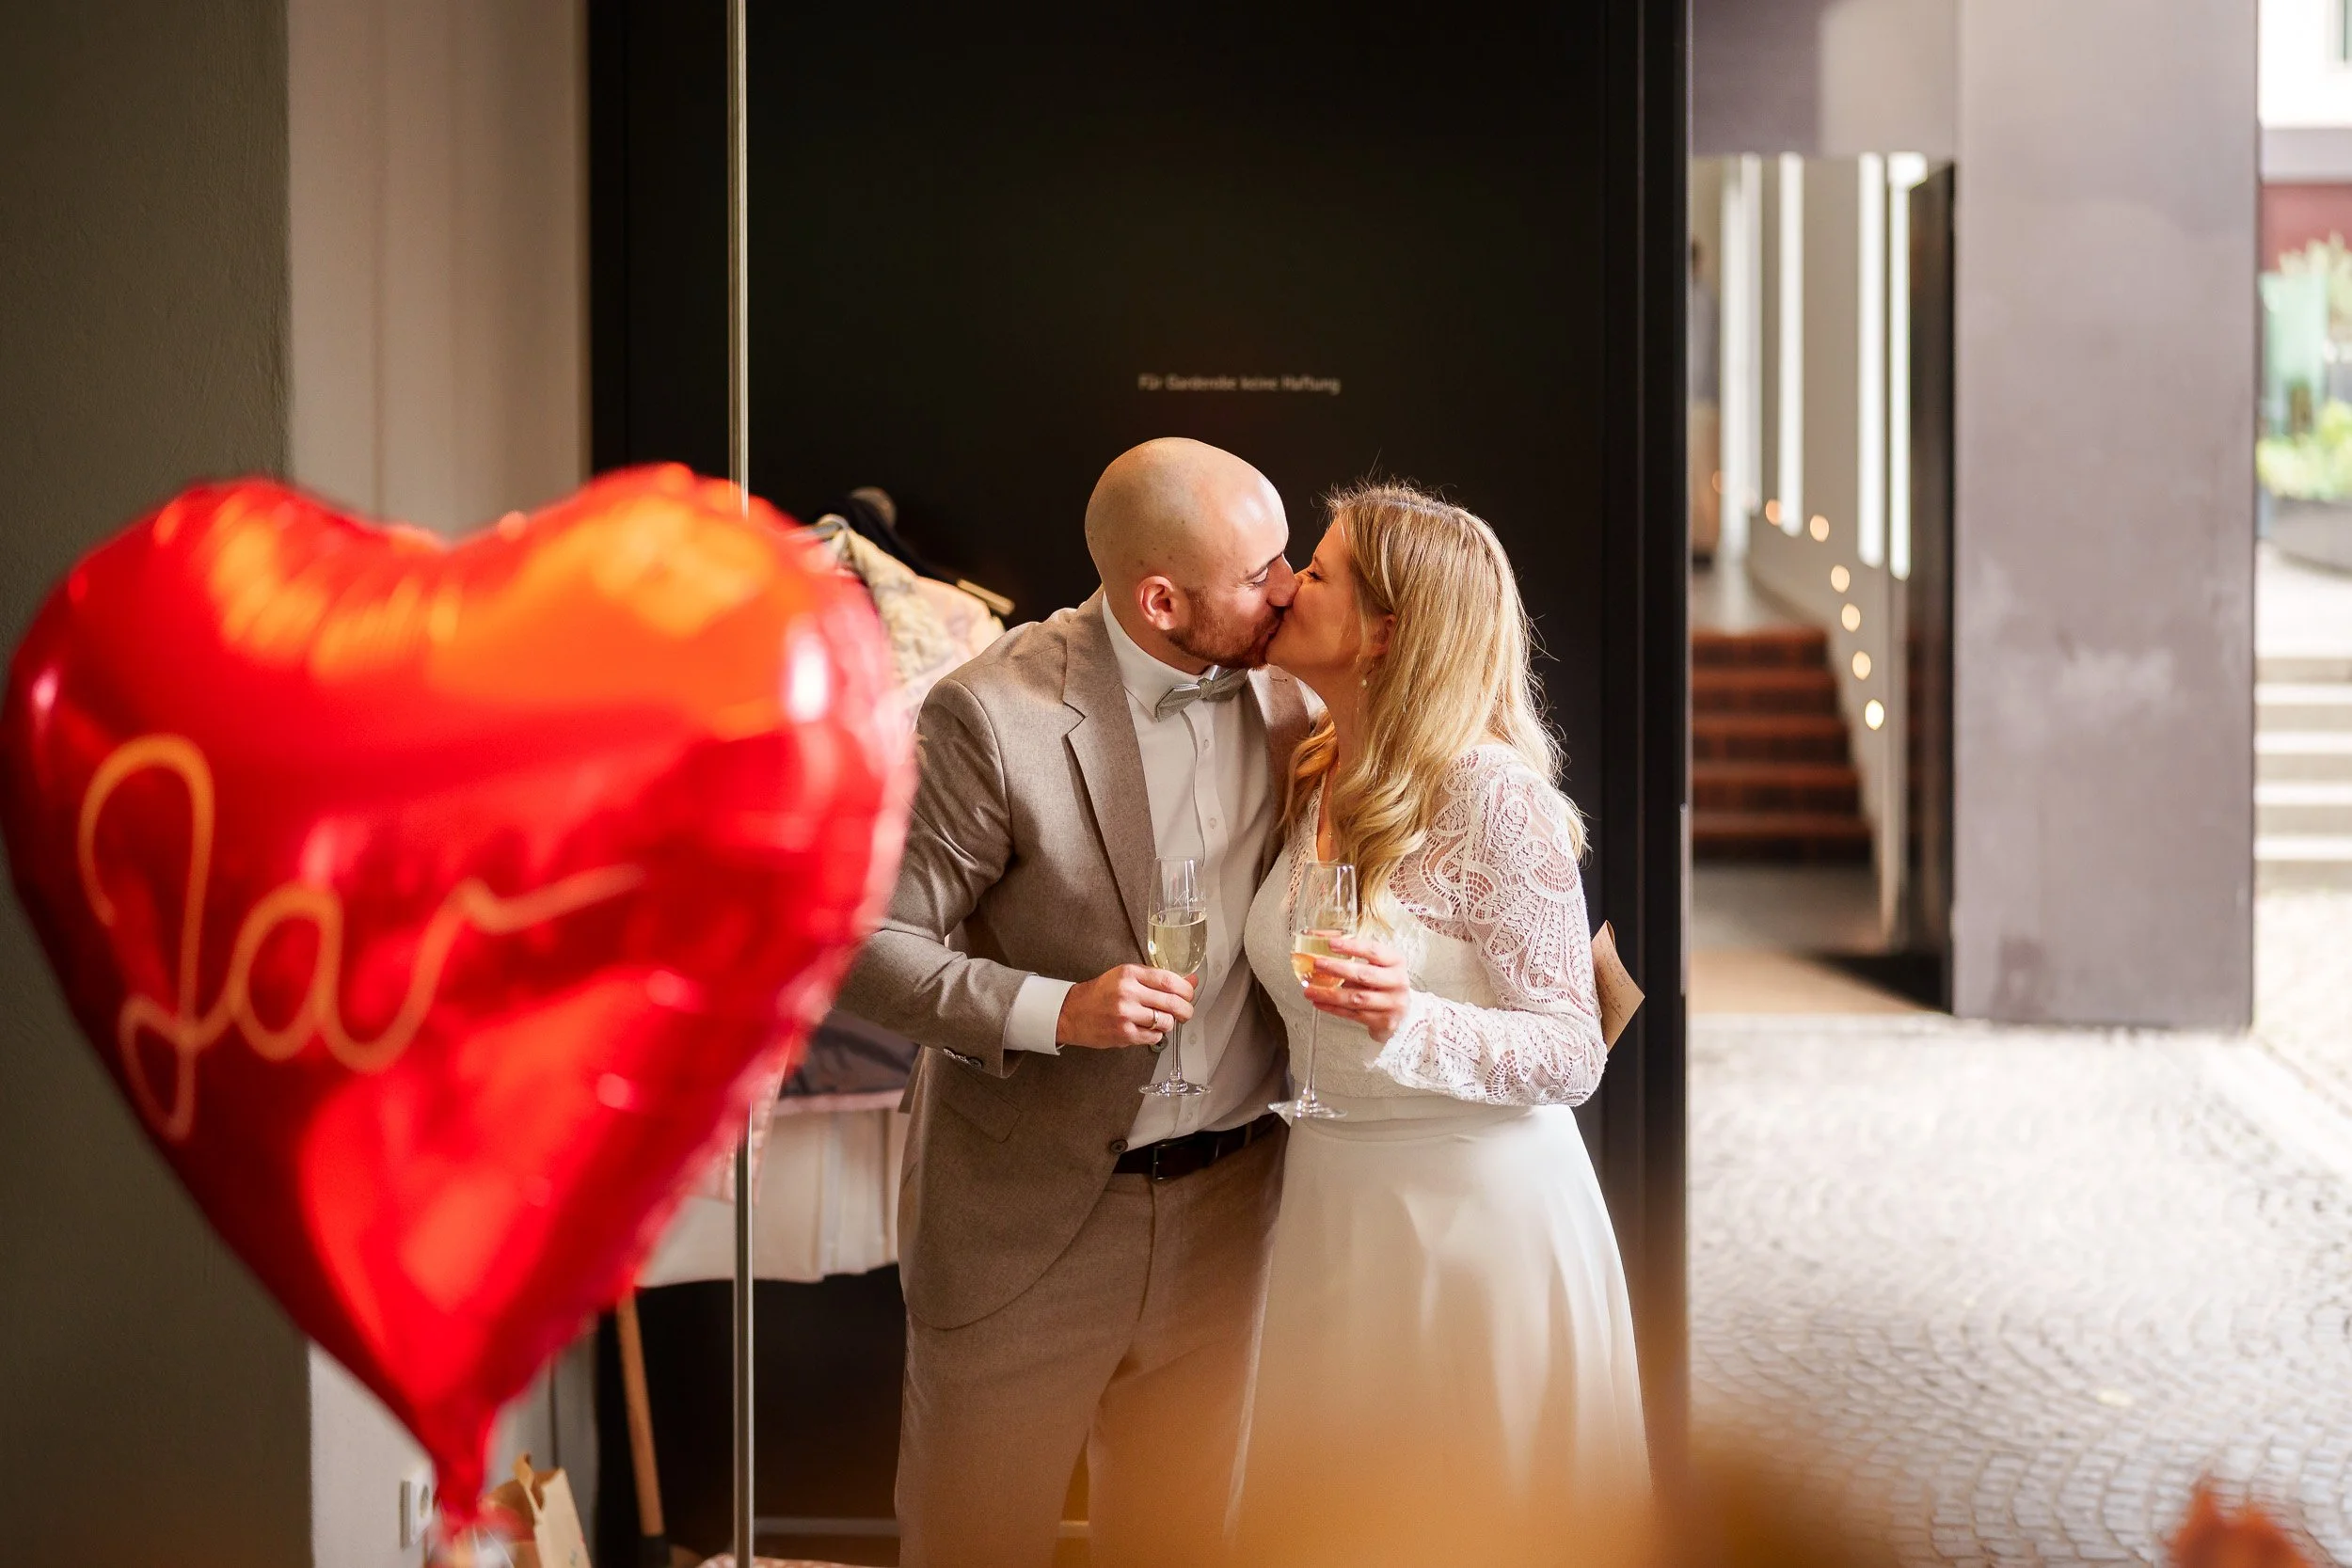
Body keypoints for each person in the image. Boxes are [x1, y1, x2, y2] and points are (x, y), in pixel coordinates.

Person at [837, 437, 1314, 1568]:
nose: (1289, 588)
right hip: (1027, 1223)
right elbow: (862, 945)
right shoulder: (989, 712)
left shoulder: (1299, 688)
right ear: (1160, 601)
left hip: (1235, 1210)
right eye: (1259, 572)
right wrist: (1055, 1010)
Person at [1229, 481, 1649, 1566]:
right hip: (1329, 1203)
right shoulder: (1312, 764)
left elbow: (1572, 1048)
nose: (1285, 586)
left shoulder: (1492, 796)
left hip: (1472, 1225)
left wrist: (1411, 1017)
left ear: (1386, 629)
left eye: (1315, 571)